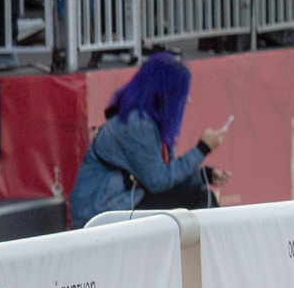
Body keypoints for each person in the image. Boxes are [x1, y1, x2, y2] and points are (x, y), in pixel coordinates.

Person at [69, 52, 228, 223]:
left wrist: (204, 175)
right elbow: (158, 182)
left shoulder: (147, 121)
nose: (187, 100)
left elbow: (160, 175)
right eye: (182, 93)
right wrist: (202, 149)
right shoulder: (138, 125)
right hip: (101, 209)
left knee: (198, 197)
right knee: (201, 198)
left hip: (121, 200)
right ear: (167, 94)